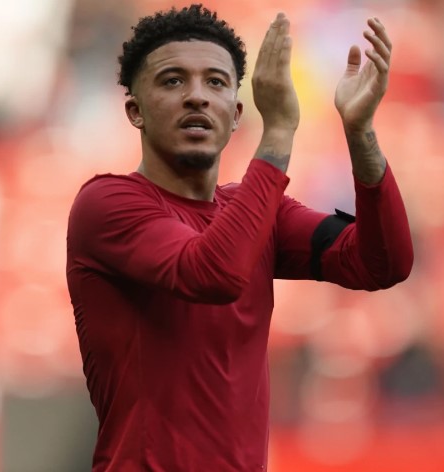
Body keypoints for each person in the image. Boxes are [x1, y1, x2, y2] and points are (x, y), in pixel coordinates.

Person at [66, 4, 413, 471]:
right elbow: (214, 274)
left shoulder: (257, 211)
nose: (197, 97)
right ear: (135, 111)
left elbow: (383, 263)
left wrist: (360, 132)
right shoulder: (106, 204)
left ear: (235, 114)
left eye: (215, 82)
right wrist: (279, 133)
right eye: (172, 81)